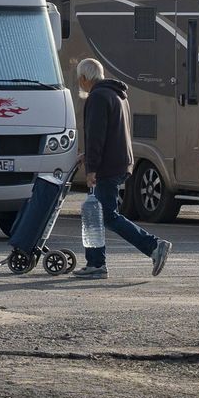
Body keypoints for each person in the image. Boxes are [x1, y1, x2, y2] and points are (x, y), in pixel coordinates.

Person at [73, 58, 172, 280]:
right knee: (101, 216)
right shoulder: (116, 94)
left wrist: (91, 168)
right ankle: (95, 263)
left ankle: (153, 246)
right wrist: (88, 155)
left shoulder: (97, 97)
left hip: (107, 166)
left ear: (84, 78)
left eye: (79, 79)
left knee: (107, 216)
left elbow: (97, 135)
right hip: (120, 161)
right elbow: (112, 132)